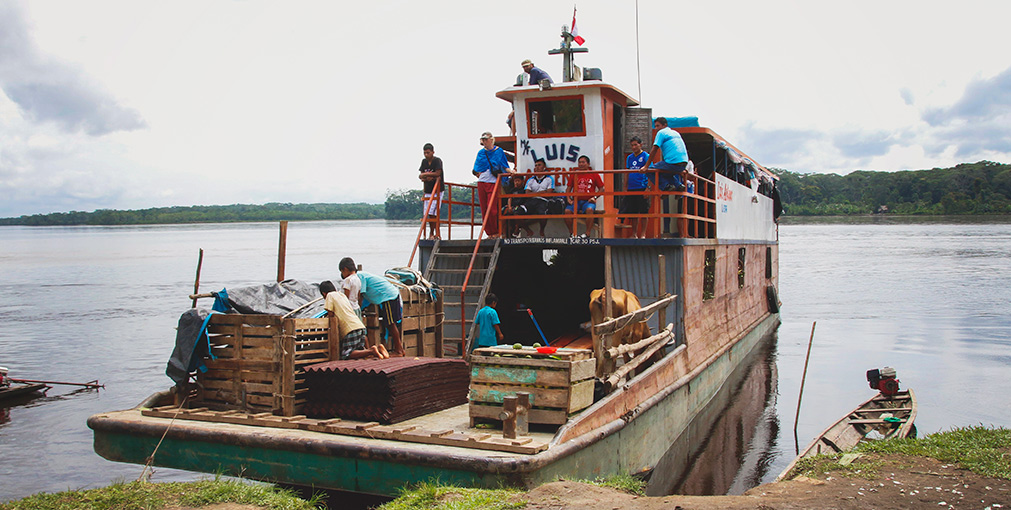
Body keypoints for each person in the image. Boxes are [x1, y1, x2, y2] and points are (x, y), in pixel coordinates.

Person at [339, 257, 405, 357]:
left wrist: (358, 310)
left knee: (390, 323)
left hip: (387, 296)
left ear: (345, 270)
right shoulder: (359, 276)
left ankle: (399, 350)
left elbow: (360, 295)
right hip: (388, 295)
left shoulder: (358, 277)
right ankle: (394, 349)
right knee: (389, 323)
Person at [319, 281, 387, 360]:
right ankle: (378, 349)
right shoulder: (342, 295)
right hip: (359, 325)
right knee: (358, 351)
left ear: (324, 293)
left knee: (346, 354)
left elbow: (330, 315)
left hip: (350, 329)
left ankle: (371, 351)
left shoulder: (329, 296)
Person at [648, 117, 690, 235]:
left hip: (673, 163)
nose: (656, 129)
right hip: (682, 163)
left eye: (657, 126)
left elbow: (654, 149)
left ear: (664, 125)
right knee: (668, 171)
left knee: (651, 170)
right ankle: (678, 185)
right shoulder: (675, 132)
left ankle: (666, 187)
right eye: (655, 127)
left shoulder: (662, 133)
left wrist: (646, 166)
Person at [472, 132, 513, 238]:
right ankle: (490, 232)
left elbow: (504, 165)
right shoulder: (481, 153)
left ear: (491, 139)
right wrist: (479, 172)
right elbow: (476, 168)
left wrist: (512, 172)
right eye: (483, 140)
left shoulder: (499, 151)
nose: (484, 142)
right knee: (484, 209)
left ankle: (496, 231)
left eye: (486, 139)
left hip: (493, 181)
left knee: (493, 209)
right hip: (482, 181)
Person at [564, 155, 604, 237]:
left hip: (588, 201)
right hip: (576, 201)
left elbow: (602, 189)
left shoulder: (594, 174)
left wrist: (594, 197)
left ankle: (587, 234)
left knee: (589, 210)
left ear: (588, 164)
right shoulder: (574, 174)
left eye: (583, 162)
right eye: (579, 162)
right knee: (567, 211)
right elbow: (568, 188)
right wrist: (568, 198)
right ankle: (572, 233)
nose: (581, 164)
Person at [620, 136, 651, 239]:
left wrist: (648, 187)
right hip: (631, 188)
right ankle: (634, 234)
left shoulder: (646, 156)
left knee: (644, 211)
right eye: (632, 145)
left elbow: (651, 172)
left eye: (635, 145)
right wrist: (625, 186)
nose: (633, 147)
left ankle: (643, 234)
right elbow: (627, 173)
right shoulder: (629, 158)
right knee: (633, 212)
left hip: (642, 187)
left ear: (640, 145)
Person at [522, 158, 555, 237]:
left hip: (543, 201)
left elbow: (549, 193)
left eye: (539, 165)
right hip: (531, 201)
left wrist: (533, 193)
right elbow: (527, 193)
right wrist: (541, 192)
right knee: (517, 212)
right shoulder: (530, 180)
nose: (537, 167)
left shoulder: (549, 179)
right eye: (536, 165)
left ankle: (542, 231)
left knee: (543, 213)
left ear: (544, 167)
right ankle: (528, 231)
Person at [418, 143, 444, 239]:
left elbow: (438, 173)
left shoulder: (437, 161)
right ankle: (432, 233)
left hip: (437, 190)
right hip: (428, 190)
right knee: (427, 213)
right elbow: (421, 175)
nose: (426, 155)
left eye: (428, 153)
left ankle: (433, 233)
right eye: (424, 153)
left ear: (433, 152)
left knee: (433, 212)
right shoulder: (424, 162)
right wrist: (425, 177)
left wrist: (427, 175)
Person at [501, 173, 534, 237]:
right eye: (515, 181)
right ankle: (504, 233)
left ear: (522, 181)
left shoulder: (525, 190)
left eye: (518, 181)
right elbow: (510, 198)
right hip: (512, 206)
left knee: (517, 213)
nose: (516, 183)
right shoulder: (512, 190)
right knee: (503, 212)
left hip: (521, 206)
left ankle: (520, 230)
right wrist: (509, 207)